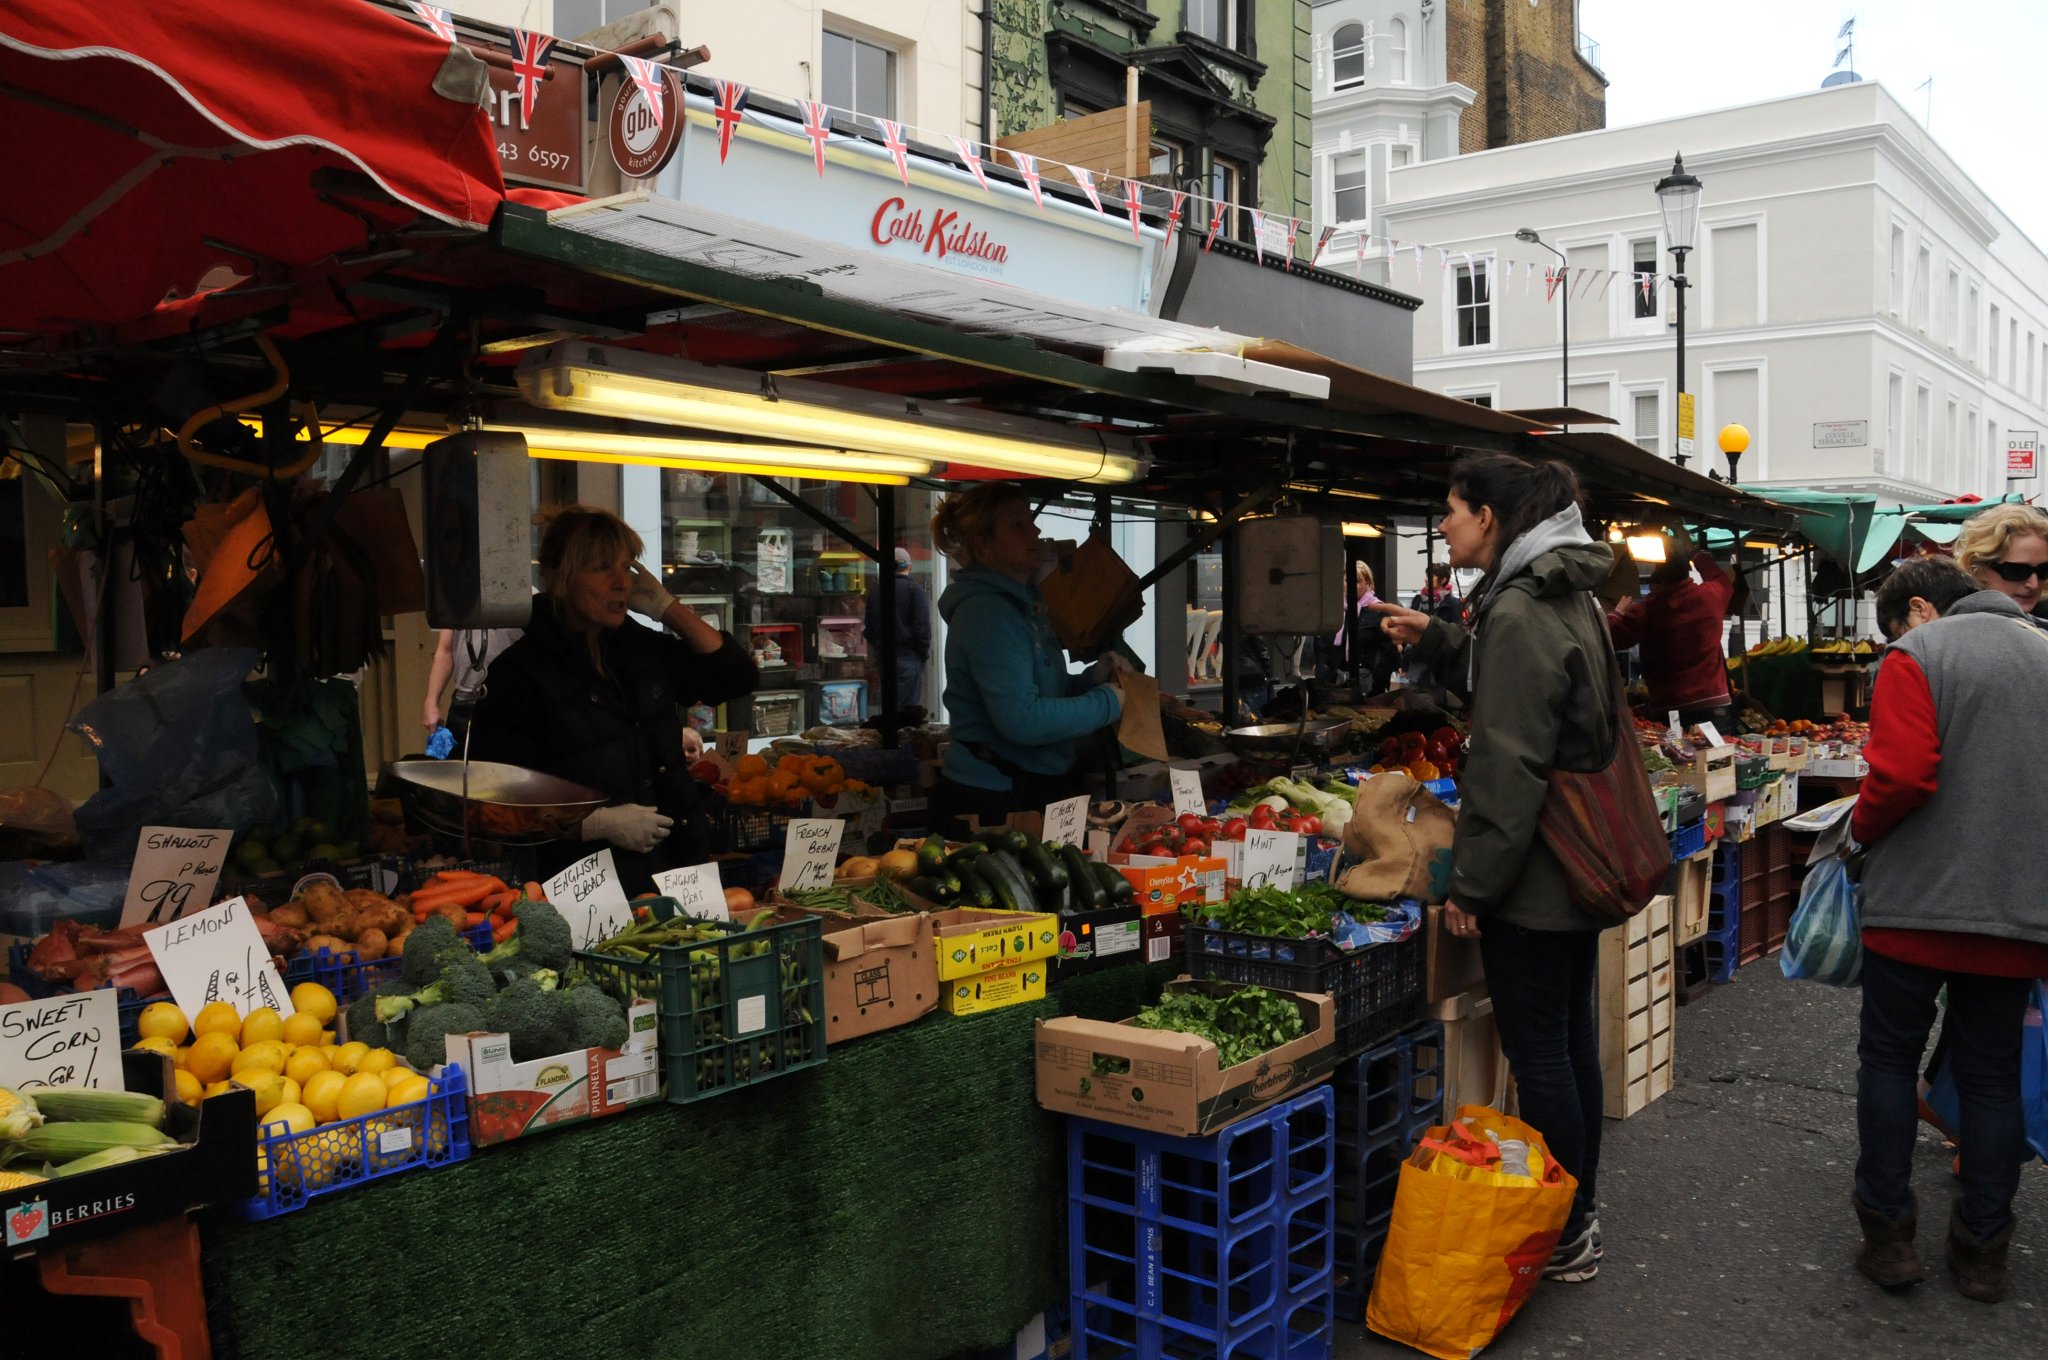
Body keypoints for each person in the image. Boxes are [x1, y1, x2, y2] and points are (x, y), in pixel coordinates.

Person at [1372, 454, 1618, 1283]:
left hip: (1538, 871)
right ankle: (1580, 1204)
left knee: (1541, 1052)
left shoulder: (1519, 606)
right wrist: (1441, 638)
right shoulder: (1560, 588)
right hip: (1572, 862)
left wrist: (1472, 888)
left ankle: (1567, 1226)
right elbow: (1523, 686)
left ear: (1489, 517)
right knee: (1571, 1041)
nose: (1442, 525)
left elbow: (1509, 763)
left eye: (1451, 510)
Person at [1849, 555, 2048, 1303]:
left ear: (1920, 609)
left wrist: (1861, 831)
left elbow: (1901, 775)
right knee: (1993, 1075)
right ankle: (1983, 1249)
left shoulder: (1916, 655)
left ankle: (1889, 1235)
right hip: (2021, 911)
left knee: (1889, 1061)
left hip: (1916, 908)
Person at [469, 507, 759, 892]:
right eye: (603, 568)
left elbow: (737, 678)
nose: (622, 583)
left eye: (627, 567)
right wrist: (592, 824)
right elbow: (494, 803)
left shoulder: (642, 651)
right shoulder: (520, 675)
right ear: (557, 578)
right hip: (586, 888)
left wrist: (666, 608)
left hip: (679, 869)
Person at [929, 484, 1122, 837]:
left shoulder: (1024, 606)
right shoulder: (988, 614)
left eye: (1030, 521)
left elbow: (1038, 691)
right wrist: (1108, 702)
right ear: (984, 546)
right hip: (994, 802)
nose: (1035, 532)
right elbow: (1023, 720)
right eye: (1017, 525)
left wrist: (1091, 680)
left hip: (1032, 788)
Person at [1605, 535, 1736, 729]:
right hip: (1715, 704)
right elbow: (1721, 578)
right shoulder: (1711, 595)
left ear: (1659, 573)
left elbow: (1610, 637)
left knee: (1677, 759)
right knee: (1719, 759)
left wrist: (1617, 613)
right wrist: (1697, 553)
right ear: (1688, 568)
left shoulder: (1647, 609)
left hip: (1672, 709)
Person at [863, 546, 933, 717]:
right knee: (905, 714)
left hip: (883, 656)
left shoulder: (875, 592)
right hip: (908, 656)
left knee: (890, 709)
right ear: (909, 566)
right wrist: (921, 655)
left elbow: (869, 628)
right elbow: (922, 630)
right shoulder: (915, 591)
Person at [422, 626, 521, 746]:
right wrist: (431, 703)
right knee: (456, 760)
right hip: (464, 703)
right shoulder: (454, 607)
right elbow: (445, 650)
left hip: (512, 702)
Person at [1952, 502, 2048, 620]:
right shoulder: (1946, 630)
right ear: (1978, 569)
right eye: (2017, 571)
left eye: (2043, 570)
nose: (2034, 584)